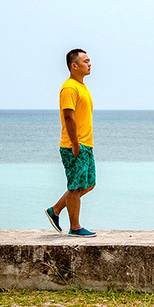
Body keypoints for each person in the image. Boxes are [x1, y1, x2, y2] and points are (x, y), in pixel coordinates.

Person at [45, 48, 97, 237]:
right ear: (74, 66)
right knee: (75, 187)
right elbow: (69, 117)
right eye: (86, 61)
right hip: (74, 145)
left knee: (88, 184)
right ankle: (75, 227)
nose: (89, 63)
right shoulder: (69, 87)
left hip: (86, 145)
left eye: (89, 60)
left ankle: (56, 209)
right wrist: (75, 144)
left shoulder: (82, 86)